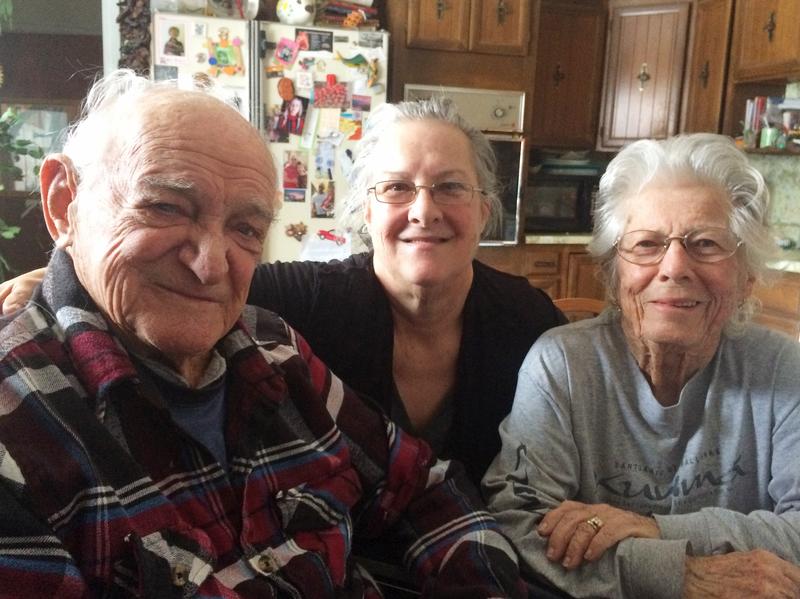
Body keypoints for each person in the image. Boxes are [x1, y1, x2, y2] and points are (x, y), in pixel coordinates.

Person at [0, 70, 528, 598]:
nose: (211, 266)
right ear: (64, 203)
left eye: (246, 229)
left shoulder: (272, 348)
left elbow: (424, 489)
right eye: (166, 207)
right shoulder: (19, 428)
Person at [483, 133, 800, 599]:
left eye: (706, 243)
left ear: (746, 275)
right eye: (647, 244)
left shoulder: (783, 368)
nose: (674, 267)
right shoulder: (562, 365)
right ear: (614, 274)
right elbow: (520, 522)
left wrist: (652, 528)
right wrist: (679, 575)